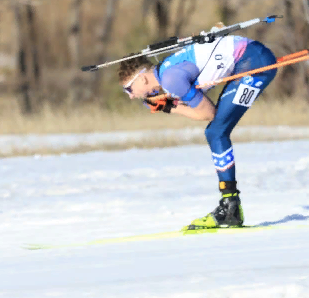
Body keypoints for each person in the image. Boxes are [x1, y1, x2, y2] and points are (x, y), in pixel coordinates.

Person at [118, 30, 277, 229]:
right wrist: (169, 103)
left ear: (142, 79)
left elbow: (208, 114)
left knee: (216, 132)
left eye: (129, 89)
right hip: (250, 58)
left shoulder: (170, 79)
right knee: (216, 132)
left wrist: (169, 108)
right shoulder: (167, 70)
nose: (131, 96)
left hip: (254, 64)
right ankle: (230, 205)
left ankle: (231, 207)